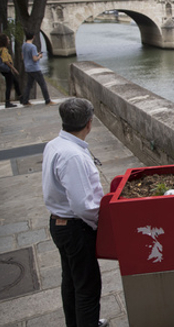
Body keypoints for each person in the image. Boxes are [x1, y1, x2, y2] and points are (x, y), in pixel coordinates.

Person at [42, 98, 108, 327]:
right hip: (75, 227)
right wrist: (101, 224)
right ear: (89, 123)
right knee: (88, 287)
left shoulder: (54, 145)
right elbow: (83, 205)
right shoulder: (74, 156)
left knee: (71, 281)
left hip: (59, 223)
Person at [21, 31, 54, 106]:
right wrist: (39, 56)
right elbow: (35, 59)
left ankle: (25, 101)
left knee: (29, 85)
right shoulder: (32, 47)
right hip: (34, 68)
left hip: (28, 68)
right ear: (33, 37)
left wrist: (36, 55)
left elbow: (22, 57)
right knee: (43, 84)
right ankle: (48, 100)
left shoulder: (24, 45)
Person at [0, 33, 22, 108]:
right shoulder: (4, 50)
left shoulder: (0, 49)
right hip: (6, 70)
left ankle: (21, 98)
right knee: (9, 86)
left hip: (4, 70)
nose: (9, 40)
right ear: (5, 41)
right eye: (8, 39)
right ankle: (7, 102)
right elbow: (6, 61)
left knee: (15, 82)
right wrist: (14, 69)